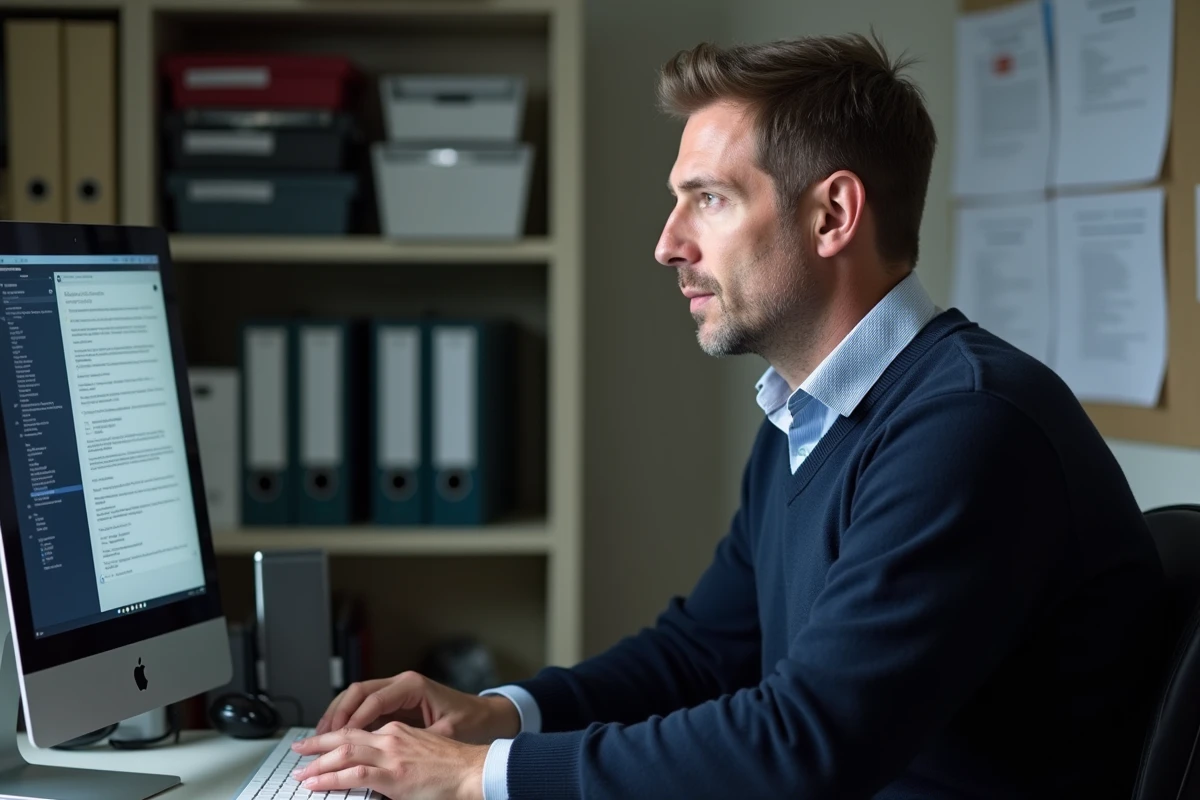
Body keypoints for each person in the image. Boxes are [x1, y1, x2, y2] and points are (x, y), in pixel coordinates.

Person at [289, 33, 1167, 800]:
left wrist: (474, 778)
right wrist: (502, 716)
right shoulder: (812, 413)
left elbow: (804, 744)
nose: (668, 242)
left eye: (707, 198)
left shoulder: (968, 429)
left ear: (832, 215)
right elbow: (705, 652)